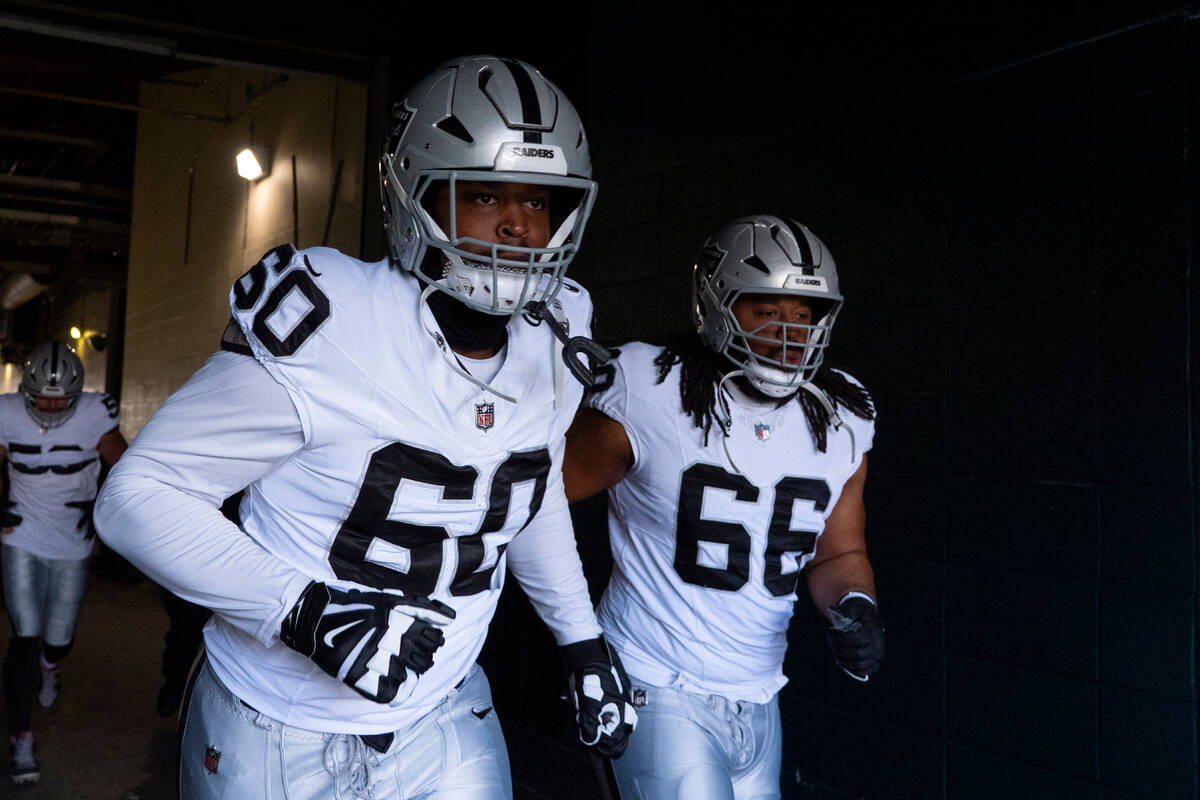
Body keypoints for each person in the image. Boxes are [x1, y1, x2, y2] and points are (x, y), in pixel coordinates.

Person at [94, 55, 635, 799]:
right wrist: (306, 611)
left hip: (445, 712)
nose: (518, 223)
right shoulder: (333, 321)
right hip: (273, 717)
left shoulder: (559, 327)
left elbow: (522, 490)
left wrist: (580, 638)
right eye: (483, 195)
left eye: (539, 201)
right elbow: (136, 498)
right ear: (414, 195)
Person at [563, 215, 885, 800]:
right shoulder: (651, 387)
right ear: (717, 304)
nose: (790, 331)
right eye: (767, 310)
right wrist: (576, 635)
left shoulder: (842, 415)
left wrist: (855, 602)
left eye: (804, 313)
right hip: (656, 680)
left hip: (761, 694)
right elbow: (527, 503)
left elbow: (839, 549)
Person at [1, 341, 128, 784]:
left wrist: (104, 508)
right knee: (25, 634)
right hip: (21, 535)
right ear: (26, 392)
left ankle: (51, 669)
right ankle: (20, 740)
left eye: (61, 399)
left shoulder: (97, 413)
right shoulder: (6, 413)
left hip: (73, 540)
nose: (52, 406)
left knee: (58, 638)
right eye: (43, 398)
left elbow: (126, 465)